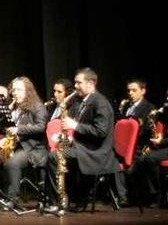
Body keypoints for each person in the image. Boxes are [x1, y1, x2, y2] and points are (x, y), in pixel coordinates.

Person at [46, 68, 119, 211]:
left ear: (90, 84)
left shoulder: (100, 103)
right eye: (75, 82)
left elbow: (100, 132)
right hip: (84, 148)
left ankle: (56, 202)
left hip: (97, 153)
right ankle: (73, 198)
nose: (75, 86)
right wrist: (68, 137)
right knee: (59, 152)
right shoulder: (85, 101)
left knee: (54, 156)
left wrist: (75, 125)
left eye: (79, 83)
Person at [0, 77, 48, 209]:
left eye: (19, 90)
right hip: (15, 146)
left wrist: (19, 129)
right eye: (14, 90)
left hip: (33, 148)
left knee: (12, 162)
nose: (15, 93)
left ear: (27, 91)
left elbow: (41, 127)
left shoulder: (37, 107)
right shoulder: (14, 107)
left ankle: (13, 198)